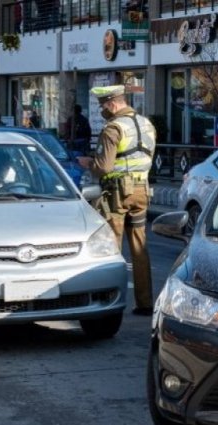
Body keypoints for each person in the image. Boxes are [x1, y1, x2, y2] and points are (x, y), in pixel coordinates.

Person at [77, 85, 157, 316]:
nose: (102, 109)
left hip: (117, 193)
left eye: (103, 104)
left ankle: (109, 302)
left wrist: (88, 163)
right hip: (142, 190)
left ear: (112, 103)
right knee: (140, 248)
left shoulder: (113, 128)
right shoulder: (147, 124)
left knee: (110, 248)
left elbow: (104, 167)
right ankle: (145, 303)